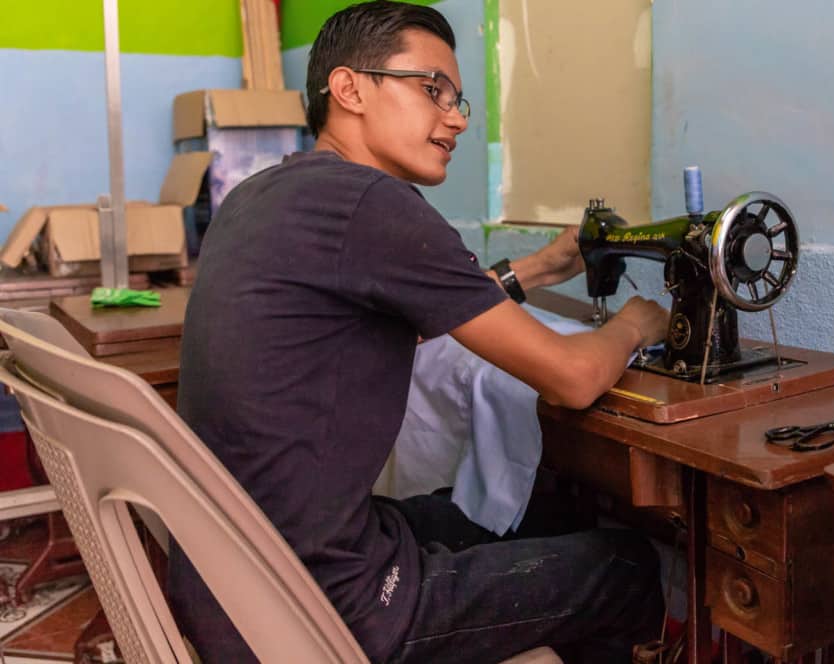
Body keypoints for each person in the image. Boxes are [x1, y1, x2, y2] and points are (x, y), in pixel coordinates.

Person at [169, 2, 670, 662]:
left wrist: (541, 266)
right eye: (432, 89)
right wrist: (637, 323)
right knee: (623, 565)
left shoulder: (263, 195)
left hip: (235, 578)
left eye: (458, 98)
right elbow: (574, 378)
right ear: (348, 88)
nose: (457, 116)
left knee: (521, 515)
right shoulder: (374, 203)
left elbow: (408, 318)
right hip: (321, 608)